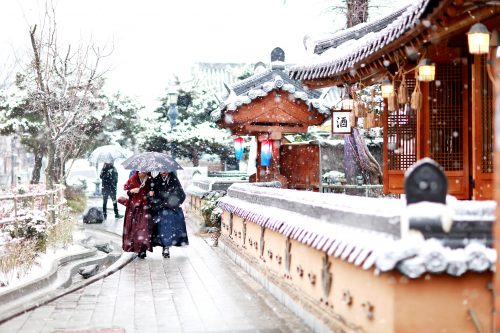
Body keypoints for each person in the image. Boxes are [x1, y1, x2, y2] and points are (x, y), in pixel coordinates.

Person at [149, 171, 188, 258]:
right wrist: (152, 197)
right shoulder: (155, 180)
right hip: (160, 208)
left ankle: (166, 247)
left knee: (172, 227)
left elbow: (182, 194)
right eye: (162, 170)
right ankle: (165, 246)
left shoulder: (174, 180)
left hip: (172, 207)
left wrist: (174, 202)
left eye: (165, 169)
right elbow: (151, 196)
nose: (163, 171)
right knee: (162, 228)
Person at [123, 171, 153, 258]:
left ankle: (142, 249)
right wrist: (131, 190)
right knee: (133, 229)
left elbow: (154, 191)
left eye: (145, 170)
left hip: (145, 208)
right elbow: (125, 190)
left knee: (143, 227)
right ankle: (134, 247)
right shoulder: (133, 179)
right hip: (133, 208)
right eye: (141, 170)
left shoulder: (150, 179)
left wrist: (150, 194)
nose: (143, 172)